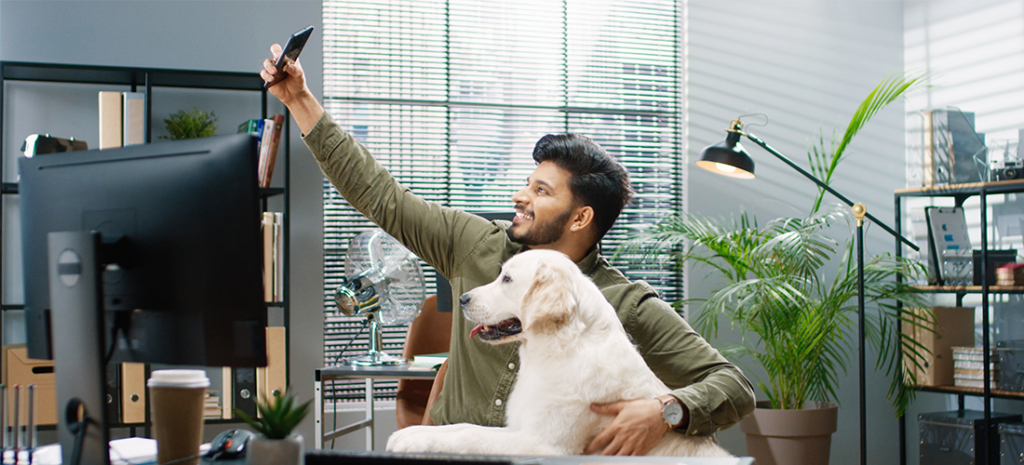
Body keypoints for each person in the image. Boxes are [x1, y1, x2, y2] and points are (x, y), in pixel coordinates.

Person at [261, 43, 755, 456]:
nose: (521, 196)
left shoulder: (622, 303)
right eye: (526, 183)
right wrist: (300, 99)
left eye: (542, 191)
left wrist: (665, 411)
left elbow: (734, 387)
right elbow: (379, 194)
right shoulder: (472, 243)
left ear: (581, 217)